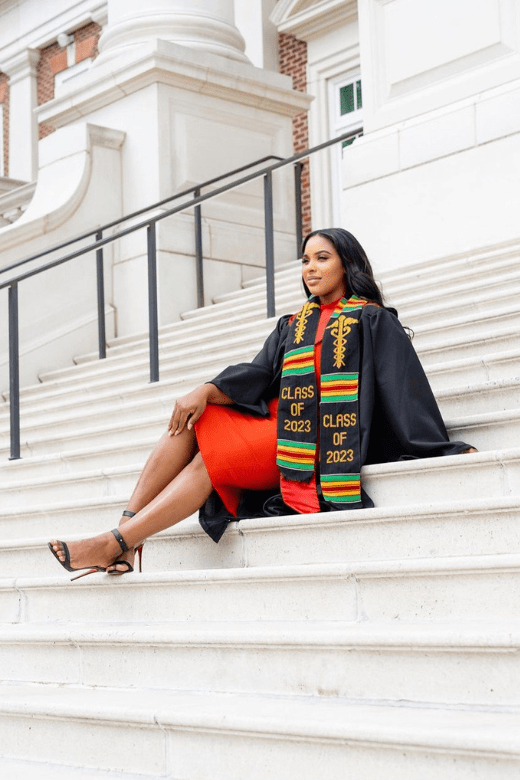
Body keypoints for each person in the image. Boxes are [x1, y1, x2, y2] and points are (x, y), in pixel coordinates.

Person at [49, 228, 476, 580]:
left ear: (347, 265)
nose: (310, 268)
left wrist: (439, 446)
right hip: (279, 425)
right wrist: (205, 390)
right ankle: (125, 535)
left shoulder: (372, 320)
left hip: (321, 442)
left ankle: (117, 541)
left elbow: (402, 386)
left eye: (322, 258)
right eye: (305, 260)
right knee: (193, 418)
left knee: (210, 459)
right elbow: (257, 375)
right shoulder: (293, 325)